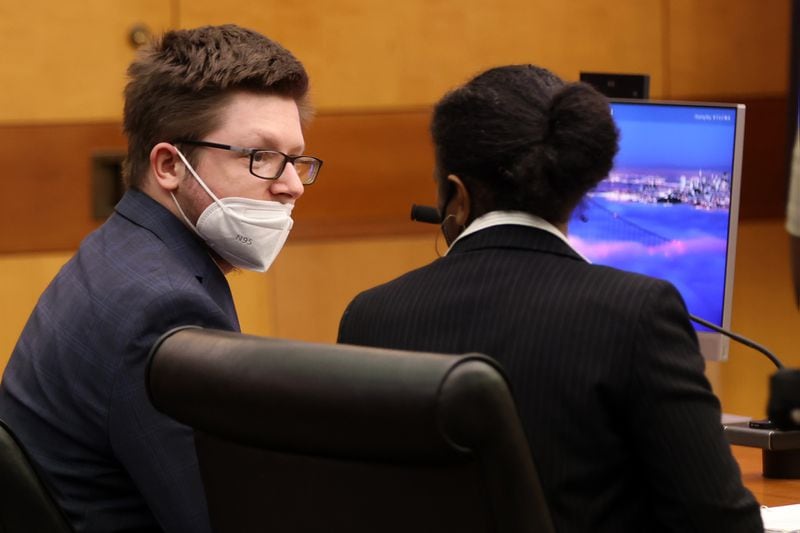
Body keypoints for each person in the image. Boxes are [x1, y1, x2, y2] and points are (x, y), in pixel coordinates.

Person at [337, 65, 762, 532]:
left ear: (456, 196)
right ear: (581, 193)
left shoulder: (369, 316)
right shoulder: (638, 313)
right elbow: (721, 522)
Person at [0, 24, 321, 533]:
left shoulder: (121, 250)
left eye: (296, 161)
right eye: (262, 158)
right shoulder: (163, 308)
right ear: (170, 165)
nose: (290, 187)